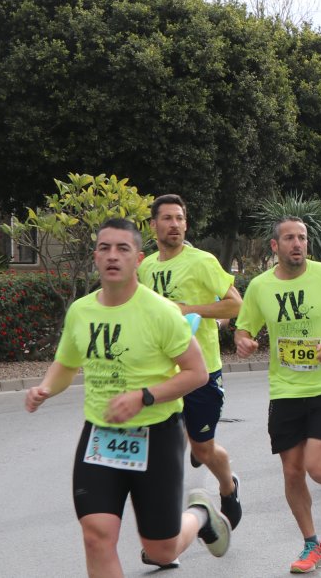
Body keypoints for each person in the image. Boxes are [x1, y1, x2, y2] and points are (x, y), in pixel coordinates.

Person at [25, 218, 231, 575]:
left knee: (161, 550)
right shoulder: (82, 311)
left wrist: (144, 397)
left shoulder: (161, 312)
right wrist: (45, 388)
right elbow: (66, 363)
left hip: (156, 433)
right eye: (105, 248)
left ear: (138, 259)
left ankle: (200, 516)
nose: (113, 256)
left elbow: (196, 373)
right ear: (95, 257)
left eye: (123, 248)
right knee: (96, 534)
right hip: (101, 435)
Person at [234, 217, 321, 573]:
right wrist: (243, 341)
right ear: (275, 246)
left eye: (303, 238)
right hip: (285, 390)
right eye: (289, 238)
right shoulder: (260, 287)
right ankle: (312, 544)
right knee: (292, 473)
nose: (298, 243)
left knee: (317, 466)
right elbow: (245, 327)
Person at [138, 194, 243, 529]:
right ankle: (164, 526)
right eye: (167, 218)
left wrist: (190, 310)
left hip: (201, 372)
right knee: (164, 450)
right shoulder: (146, 267)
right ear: (153, 225)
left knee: (203, 448)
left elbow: (234, 305)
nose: (175, 225)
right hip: (161, 372)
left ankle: (228, 487)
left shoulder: (202, 262)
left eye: (180, 218)